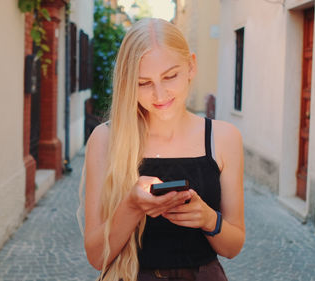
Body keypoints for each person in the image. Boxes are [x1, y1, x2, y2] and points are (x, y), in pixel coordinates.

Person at [78, 18, 245, 281]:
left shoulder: (224, 138)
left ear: (191, 66)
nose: (159, 94)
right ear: (126, 82)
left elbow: (233, 247)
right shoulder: (106, 138)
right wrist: (132, 206)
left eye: (170, 76)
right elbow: (97, 257)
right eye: (143, 82)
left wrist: (208, 218)